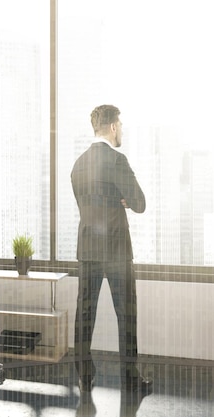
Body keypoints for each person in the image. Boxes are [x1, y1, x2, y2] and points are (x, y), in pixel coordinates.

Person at [70, 104, 152, 396]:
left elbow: (86, 207)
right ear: (114, 127)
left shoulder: (78, 164)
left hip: (88, 249)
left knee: (84, 314)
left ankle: (84, 374)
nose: (121, 131)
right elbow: (139, 202)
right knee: (126, 315)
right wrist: (125, 199)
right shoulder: (117, 161)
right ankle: (130, 377)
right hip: (116, 251)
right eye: (121, 125)